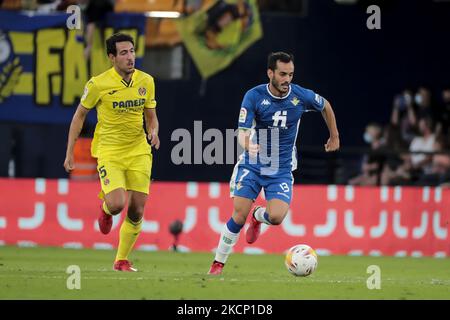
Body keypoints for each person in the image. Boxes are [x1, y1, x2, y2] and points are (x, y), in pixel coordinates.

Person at [208, 52, 340, 275]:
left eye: (290, 74)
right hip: (252, 164)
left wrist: (334, 135)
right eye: (282, 74)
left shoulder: (300, 96)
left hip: (281, 169)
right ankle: (218, 264)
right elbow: (242, 130)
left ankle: (258, 216)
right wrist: (247, 143)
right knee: (238, 215)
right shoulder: (254, 96)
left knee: (277, 217)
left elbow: (325, 105)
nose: (287, 79)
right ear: (270, 73)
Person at [63, 33, 160, 272]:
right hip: (110, 150)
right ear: (112, 57)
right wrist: (70, 152)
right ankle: (106, 210)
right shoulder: (98, 84)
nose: (130, 57)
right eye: (124, 53)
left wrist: (154, 132)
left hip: (138, 150)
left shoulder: (146, 81)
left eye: (132, 51)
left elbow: (151, 117)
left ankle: (121, 260)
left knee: (137, 209)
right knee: (117, 204)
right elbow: (79, 116)